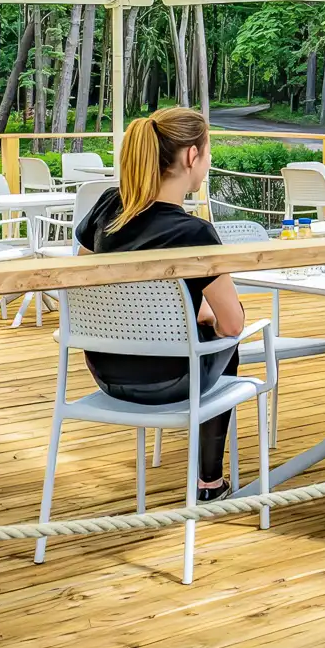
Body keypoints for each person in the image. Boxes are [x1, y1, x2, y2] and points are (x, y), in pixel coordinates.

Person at [74, 107, 246, 502]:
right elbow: (233, 324)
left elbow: (83, 280)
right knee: (227, 339)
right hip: (172, 381)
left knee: (205, 324)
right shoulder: (195, 232)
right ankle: (209, 483)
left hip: (106, 371)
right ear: (191, 156)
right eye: (208, 152)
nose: (208, 161)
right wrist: (202, 315)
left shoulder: (108, 207)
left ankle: (208, 481)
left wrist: (186, 312)